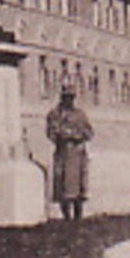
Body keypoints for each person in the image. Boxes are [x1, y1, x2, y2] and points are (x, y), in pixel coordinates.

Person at [46, 85, 95, 221]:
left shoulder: (80, 114)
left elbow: (90, 132)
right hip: (64, 152)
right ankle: (66, 216)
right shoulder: (55, 114)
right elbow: (51, 133)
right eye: (67, 97)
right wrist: (65, 135)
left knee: (79, 187)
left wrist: (79, 135)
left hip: (79, 153)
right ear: (62, 97)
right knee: (64, 186)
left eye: (72, 97)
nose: (69, 100)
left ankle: (78, 216)